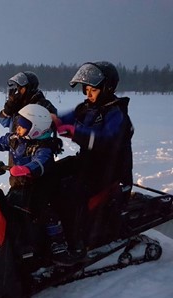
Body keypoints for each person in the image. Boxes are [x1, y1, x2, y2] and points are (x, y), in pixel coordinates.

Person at [0, 104, 76, 266]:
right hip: (21, 184)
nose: (18, 128)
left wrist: (27, 169)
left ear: (35, 129)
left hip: (41, 184)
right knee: (9, 208)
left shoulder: (43, 147)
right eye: (18, 125)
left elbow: (41, 162)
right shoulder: (17, 139)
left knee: (44, 210)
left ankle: (58, 245)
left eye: (23, 126)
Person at [53, 61, 134, 257]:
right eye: (86, 89)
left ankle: (76, 244)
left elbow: (107, 140)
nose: (88, 94)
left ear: (107, 88)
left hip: (110, 170)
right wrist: (47, 120)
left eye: (93, 90)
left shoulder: (116, 113)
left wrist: (75, 132)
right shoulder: (86, 108)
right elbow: (64, 118)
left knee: (70, 193)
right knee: (50, 173)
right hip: (88, 162)